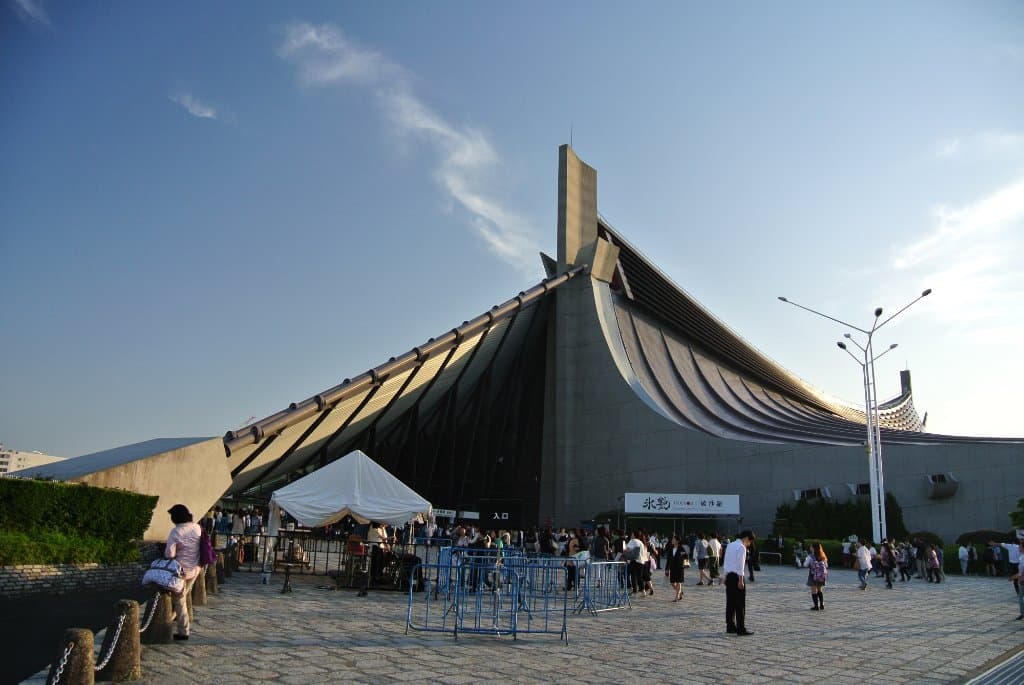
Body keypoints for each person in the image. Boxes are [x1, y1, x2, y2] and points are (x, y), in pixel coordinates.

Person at [165, 504, 202, 640]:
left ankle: (183, 631)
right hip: (196, 568)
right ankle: (175, 620)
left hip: (181, 571)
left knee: (180, 602)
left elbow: (169, 554)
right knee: (183, 596)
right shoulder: (197, 528)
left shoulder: (176, 532)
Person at [724, 530, 755, 636]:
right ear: (746, 538)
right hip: (737, 577)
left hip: (729, 576)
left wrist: (725, 576)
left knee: (730, 603)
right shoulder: (742, 547)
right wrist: (741, 580)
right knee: (740, 604)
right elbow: (740, 566)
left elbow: (726, 561)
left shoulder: (730, 545)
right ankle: (741, 628)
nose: (749, 544)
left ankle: (730, 626)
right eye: (750, 542)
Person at [665, 534, 687, 601]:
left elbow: (686, 556)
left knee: (678, 582)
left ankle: (676, 597)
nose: (672, 540)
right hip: (672, 568)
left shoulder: (681, 548)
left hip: (679, 567)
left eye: (673, 539)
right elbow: (668, 560)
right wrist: (667, 569)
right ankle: (680, 592)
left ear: (677, 541)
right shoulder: (671, 548)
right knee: (672, 582)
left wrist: (682, 559)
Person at [806, 541, 828, 610]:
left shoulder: (810, 556)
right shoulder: (823, 555)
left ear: (813, 548)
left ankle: (816, 606)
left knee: (813, 590)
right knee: (819, 590)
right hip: (821, 575)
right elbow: (826, 565)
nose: (810, 547)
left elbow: (805, 564)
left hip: (813, 575)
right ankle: (821, 605)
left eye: (811, 546)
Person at [1010, 540, 1024, 620]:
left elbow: (1022, 571)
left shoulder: (1023, 558)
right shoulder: (1021, 556)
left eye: (1020, 546)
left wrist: (1014, 577)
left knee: (1021, 597)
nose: (1018, 547)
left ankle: (1022, 613)